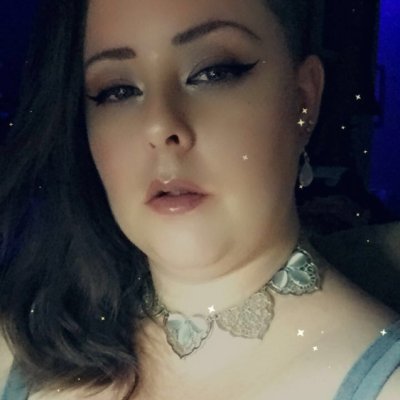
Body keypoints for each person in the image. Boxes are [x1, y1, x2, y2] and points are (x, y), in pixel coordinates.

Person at [0, 0, 399, 399]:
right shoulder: (17, 350)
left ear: (302, 99)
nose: (160, 125)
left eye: (213, 72)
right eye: (117, 91)